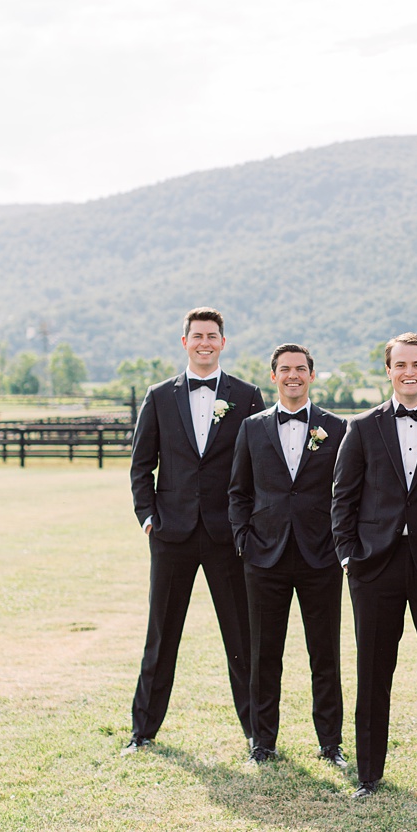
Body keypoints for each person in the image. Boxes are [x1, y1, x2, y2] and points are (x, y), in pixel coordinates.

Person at [330, 332, 417, 802]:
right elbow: (343, 497)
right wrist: (349, 555)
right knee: (372, 672)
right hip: (375, 567)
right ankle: (368, 774)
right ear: (388, 370)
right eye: (400, 364)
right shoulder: (362, 427)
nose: (409, 371)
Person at [125, 308, 264, 753]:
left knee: (241, 638)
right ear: (184, 341)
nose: (205, 343)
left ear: (224, 342)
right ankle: (142, 732)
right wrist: (148, 517)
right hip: (172, 533)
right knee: (161, 635)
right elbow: (141, 464)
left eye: (213, 336)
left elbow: (261, 468)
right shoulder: (159, 396)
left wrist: (247, 527)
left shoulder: (247, 396)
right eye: (197, 336)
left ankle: (257, 735)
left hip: (227, 536)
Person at [228, 344, 348, 766]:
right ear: (274, 376)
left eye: (301, 369)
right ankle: (263, 741)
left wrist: (340, 542)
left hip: (321, 556)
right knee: (263, 652)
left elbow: (347, 492)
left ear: (312, 376)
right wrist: (244, 538)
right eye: (285, 369)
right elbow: (238, 491)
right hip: (264, 556)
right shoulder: (251, 428)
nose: (293, 375)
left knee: (325, 653)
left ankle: (330, 743)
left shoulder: (337, 428)